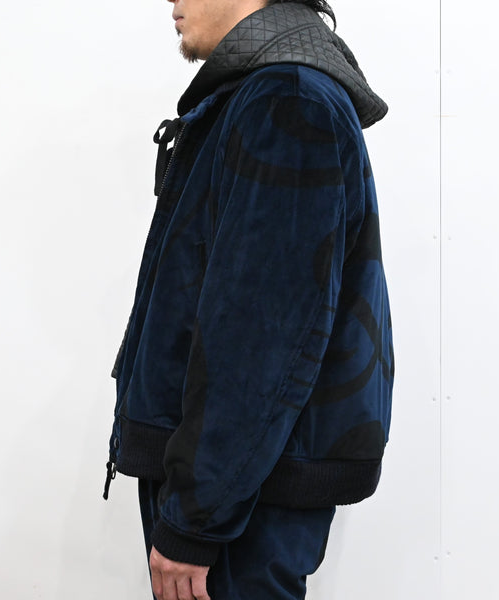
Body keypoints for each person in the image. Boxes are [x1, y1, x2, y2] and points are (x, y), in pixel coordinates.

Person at [103, 1, 394, 599]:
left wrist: (195, 519)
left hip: (242, 498)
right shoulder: (264, 95)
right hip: (237, 483)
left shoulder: (287, 100)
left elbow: (261, 341)